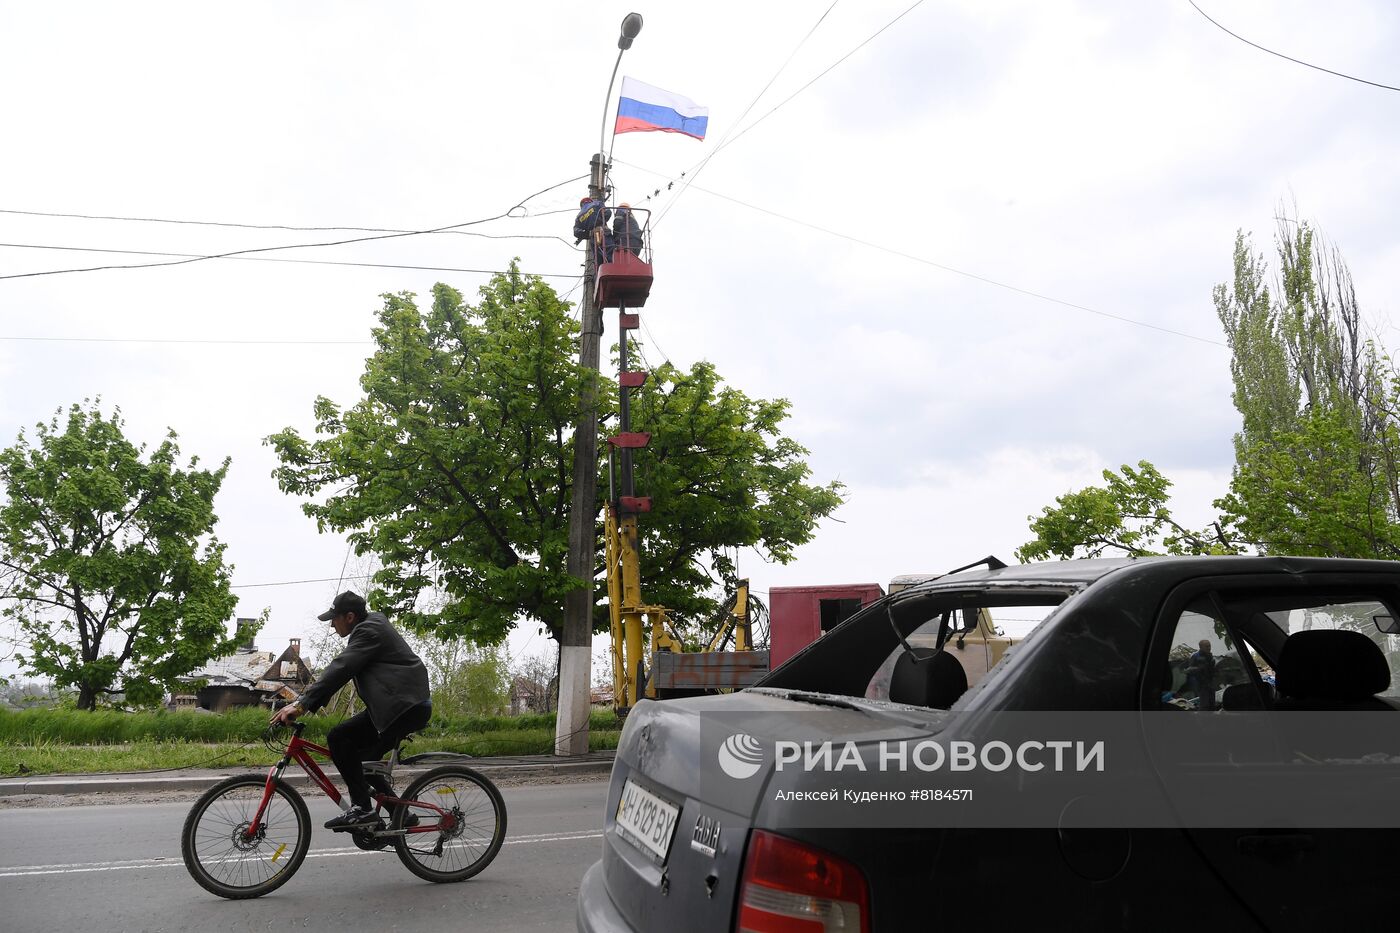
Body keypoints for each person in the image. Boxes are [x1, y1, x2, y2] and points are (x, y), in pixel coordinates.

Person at [270, 591, 431, 830]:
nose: (332, 626)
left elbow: (341, 668)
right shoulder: (370, 627)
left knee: (340, 739)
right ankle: (400, 813)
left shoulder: (368, 632)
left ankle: (363, 810)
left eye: (334, 620)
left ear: (350, 617)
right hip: (396, 707)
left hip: (403, 708)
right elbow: (343, 669)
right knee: (361, 760)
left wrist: (303, 704)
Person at [573, 195, 611, 266]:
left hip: (593, 237)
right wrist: (601, 221)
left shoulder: (579, 216)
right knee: (609, 251)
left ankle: (600, 272)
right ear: (590, 201)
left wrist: (588, 234)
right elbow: (608, 212)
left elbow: (576, 232)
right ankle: (611, 269)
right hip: (603, 232)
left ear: (582, 205)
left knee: (598, 258)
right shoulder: (597, 203)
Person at [1185, 639, 1217, 711]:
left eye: (1209, 646)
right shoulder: (1195, 656)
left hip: (1210, 682)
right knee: (1205, 705)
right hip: (1200, 684)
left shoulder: (1210, 656)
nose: (1209, 648)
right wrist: (1199, 668)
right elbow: (1189, 670)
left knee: (1212, 704)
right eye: (1206, 646)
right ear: (1201, 647)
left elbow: (1213, 669)